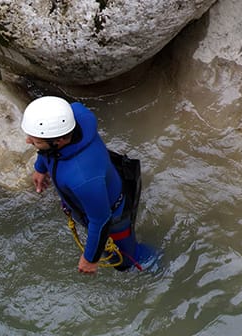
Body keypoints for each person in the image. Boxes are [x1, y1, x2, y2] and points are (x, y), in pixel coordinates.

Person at [23, 96, 157, 275]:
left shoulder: (83, 178)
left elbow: (101, 221)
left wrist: (90, 258)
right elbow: (48, 151)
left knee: (125, 261)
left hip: (113, 215)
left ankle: (158, 266)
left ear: (60, 141)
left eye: (36, 140)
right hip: (105, 187)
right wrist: (40, 168)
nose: (28, 141)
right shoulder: (75, 115)